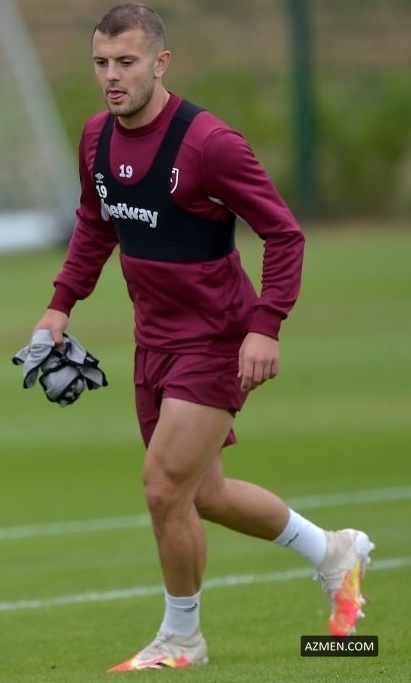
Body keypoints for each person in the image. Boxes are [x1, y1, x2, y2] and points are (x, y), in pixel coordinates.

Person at [31, 3, 374, 671]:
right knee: (202, 492)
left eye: (126, 62)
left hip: (215, 338)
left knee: (163, 486)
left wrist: (265, 326)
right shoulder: (96, 138)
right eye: (101, 63)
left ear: (161, 63)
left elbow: (283, 233)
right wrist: (59, 306)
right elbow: (95, 224)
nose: (111, 76)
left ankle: (182, 637)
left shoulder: (209, 144)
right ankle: (333, 551)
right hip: (153, 341)